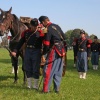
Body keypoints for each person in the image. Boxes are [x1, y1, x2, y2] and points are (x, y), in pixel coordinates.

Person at [11, 18, 44, 89]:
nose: (35, 28)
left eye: (36, 26)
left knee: (35, 68)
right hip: (28, 50)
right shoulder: (26, 33)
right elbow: (20, 42)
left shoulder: (40, 33)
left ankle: (35, 85)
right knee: (27, 68)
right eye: (33, 26)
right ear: (30, 25)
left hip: (36, 51)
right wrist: (15, 50)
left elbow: (45, 41)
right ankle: (29, 85)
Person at [38, 16, 67, 93]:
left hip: (53, 50)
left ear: (44, 22)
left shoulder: (48, 29)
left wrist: (44, 53)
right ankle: (57, 89)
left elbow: (46, 43)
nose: (42, 25)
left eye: (41, 23)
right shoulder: (56, 26)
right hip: (61, 50)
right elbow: (64, 37)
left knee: (48, 70)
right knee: (58, 70)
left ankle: (45, 90)